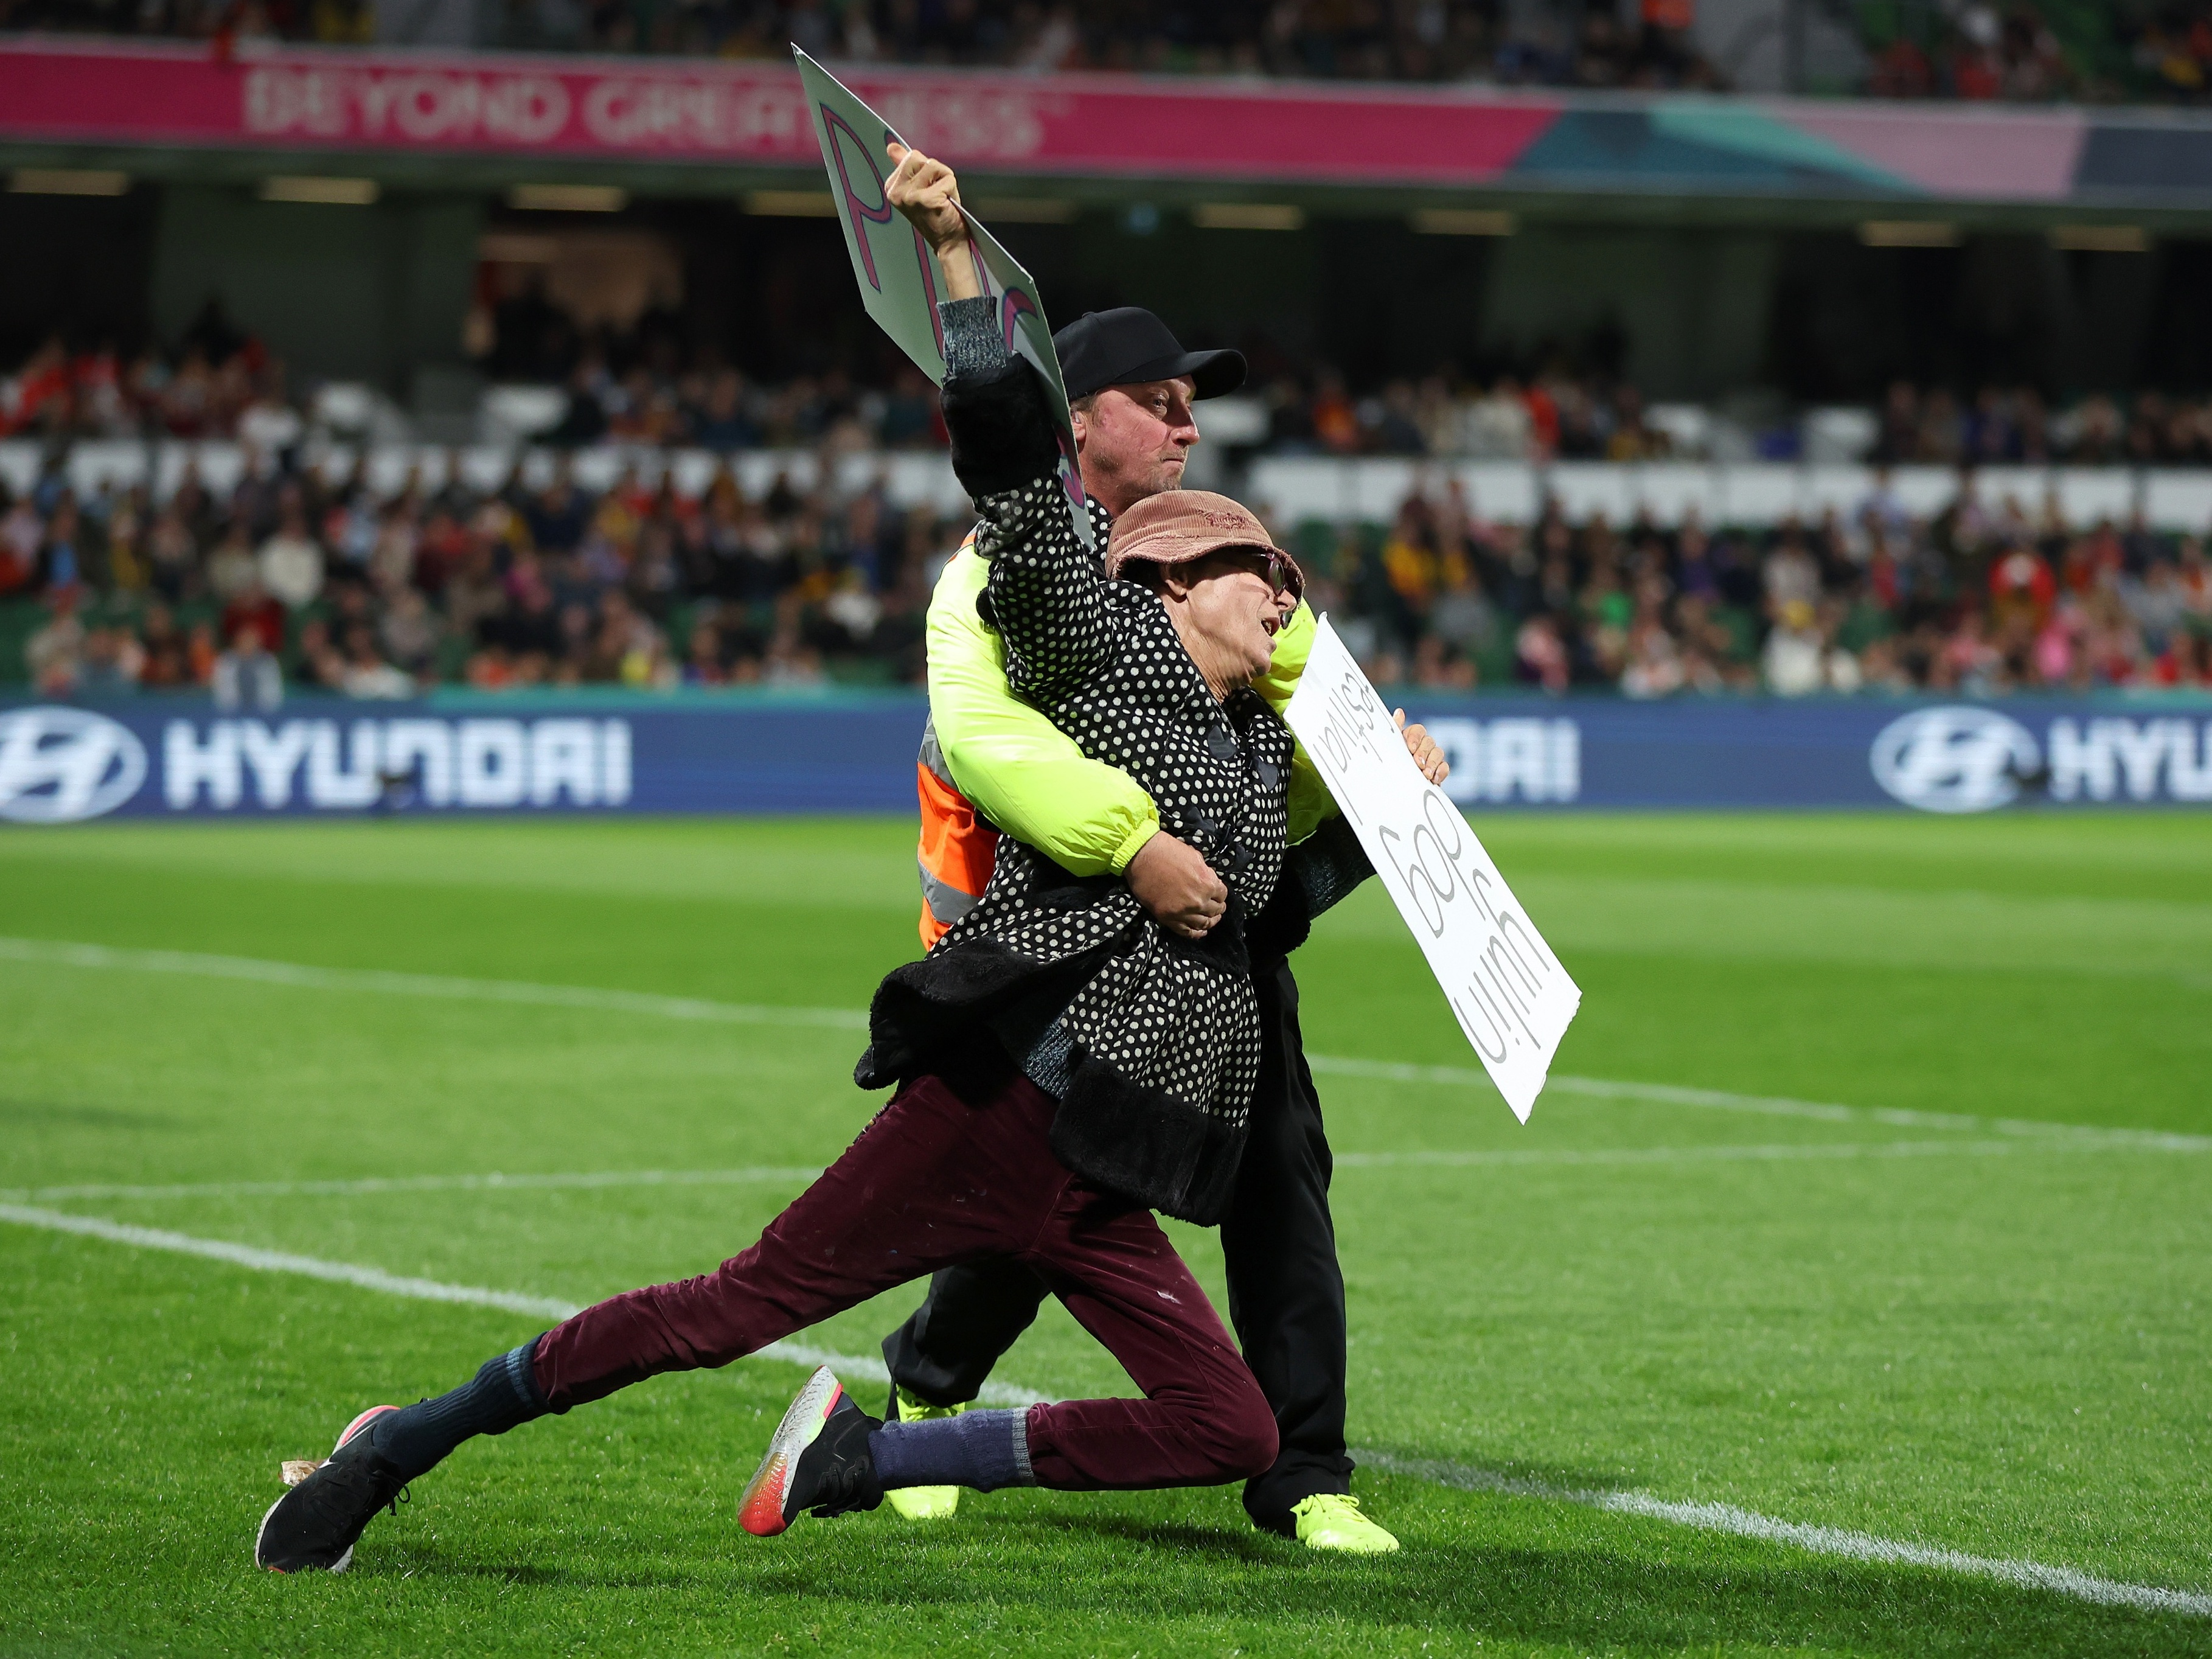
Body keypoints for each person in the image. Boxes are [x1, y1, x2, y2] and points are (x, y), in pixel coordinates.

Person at [251, 165, 1443, 1573]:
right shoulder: (1094, 648)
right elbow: (1006, 457)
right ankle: (401, 1440)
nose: (1288, 598)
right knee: (728, 1308)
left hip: (1105, 1163)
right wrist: (951, 256)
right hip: (999, 1105)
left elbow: (1271, 905)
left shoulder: (1251, 754)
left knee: (1231, 1430)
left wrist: (1376, 815)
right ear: (1172, 580)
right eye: (1263, 574)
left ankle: (873, 1451)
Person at [883, 145, 1407, 1554]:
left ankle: (1306, 1468)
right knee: (1046, 1200)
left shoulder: (1230, 562)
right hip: (1069, 932)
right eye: (1160, 404)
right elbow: (990, 742)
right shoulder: (1006, 566)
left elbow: (1306, 728)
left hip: (1223, 930)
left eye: (1193, 410)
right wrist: (1132, 851)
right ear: (1079, 416)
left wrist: (1375, 791)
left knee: (1282, 1176)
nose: (1186, 429)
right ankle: (928, 1393)